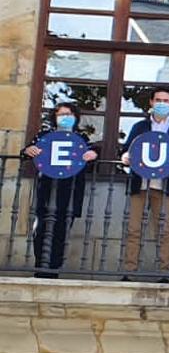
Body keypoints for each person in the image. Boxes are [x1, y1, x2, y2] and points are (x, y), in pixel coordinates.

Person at [120, 87, 169, 273]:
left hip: (166, 186)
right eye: (158, 100)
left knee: (165, 231)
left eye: (166, 101)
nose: (162, 104)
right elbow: (126, 149)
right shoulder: (140, 127)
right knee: (133, 229)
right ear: (152, 103)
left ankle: (164, 272)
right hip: (140, 184)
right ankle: (129, 271)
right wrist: (124, 156)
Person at [20, 103, 100, 276]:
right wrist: (28, 150)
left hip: (69, 192)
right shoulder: (45, 135)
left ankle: (53, 271)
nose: (66, 117)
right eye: (62, 114)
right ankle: (40, 269)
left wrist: (93, 154)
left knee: (61, 233)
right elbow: (26, 152)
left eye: (70, 114)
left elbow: (93, 152)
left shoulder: (81, 137)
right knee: (40, 231)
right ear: (55, 117)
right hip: (47, 190)